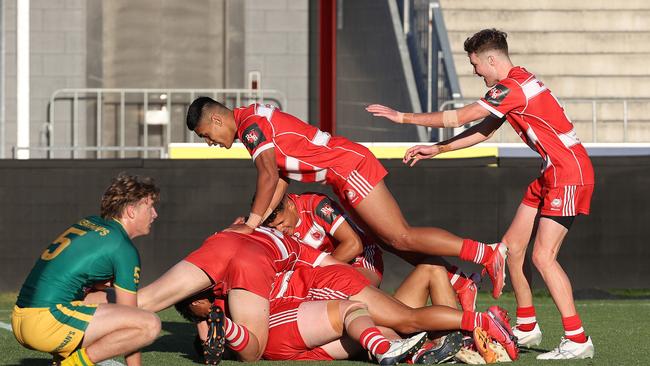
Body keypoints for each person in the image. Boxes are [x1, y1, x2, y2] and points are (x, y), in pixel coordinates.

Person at [366, 28, 595, 360]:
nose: (475, 72)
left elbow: (460, 117)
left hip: (568, 173)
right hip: (551, 172)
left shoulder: (511, 87)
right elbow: (483, 130)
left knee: (543, 258)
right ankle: (528, 326)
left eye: (476, 65)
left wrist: (402, 117)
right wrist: (438, 149)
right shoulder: (516, 84)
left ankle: (577, 338)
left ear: (491, 59)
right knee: (511, 250)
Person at [185, 97, 507, 300]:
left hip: (348, 167)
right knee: (392, 242)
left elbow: (268, 175)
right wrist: (257, 224)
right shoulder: (251, 118)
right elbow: (279, 180)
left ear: (216, 120)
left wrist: (252, 224)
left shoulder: (250, 127)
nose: (209, 141)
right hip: (342, 172)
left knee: (401, 236)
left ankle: (487, 254)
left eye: (205, 135)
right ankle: (459, 281)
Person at [175, 245, 519, 362]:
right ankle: (478, 324)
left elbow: (342, 247)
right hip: (328, 299)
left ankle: (458, 339)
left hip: (335, 288)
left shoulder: (270, 245)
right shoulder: (239, 282)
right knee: (405, 319)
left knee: (428, 272)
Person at [11, 174, 161, 366]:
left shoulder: (90, 222)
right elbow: (132, 317)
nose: (155, 214)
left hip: (21, 317)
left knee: (109, 297)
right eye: (150, 207)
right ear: (131, 211)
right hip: (46, 323)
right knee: (149, 324)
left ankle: (63, 358)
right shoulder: (123, 248)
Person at [136, 226, 336, 362]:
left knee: (140, 301)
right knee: (252, 353)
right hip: (254, 258)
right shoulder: (299, 247)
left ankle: (103, 302)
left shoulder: (239, 225)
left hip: (222, 241)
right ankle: (223, 323)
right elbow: (338, 269)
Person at [265, 191, 480, 310]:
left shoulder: (315, 205)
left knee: (348, 294)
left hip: (361, 258)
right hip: (332, 269)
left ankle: (479, 257)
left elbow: (353, 244)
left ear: (291, 205)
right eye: (275, 228)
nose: (282, 230)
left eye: (283, 223)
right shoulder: (270, 227)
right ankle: (457, 289)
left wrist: (320, 273)